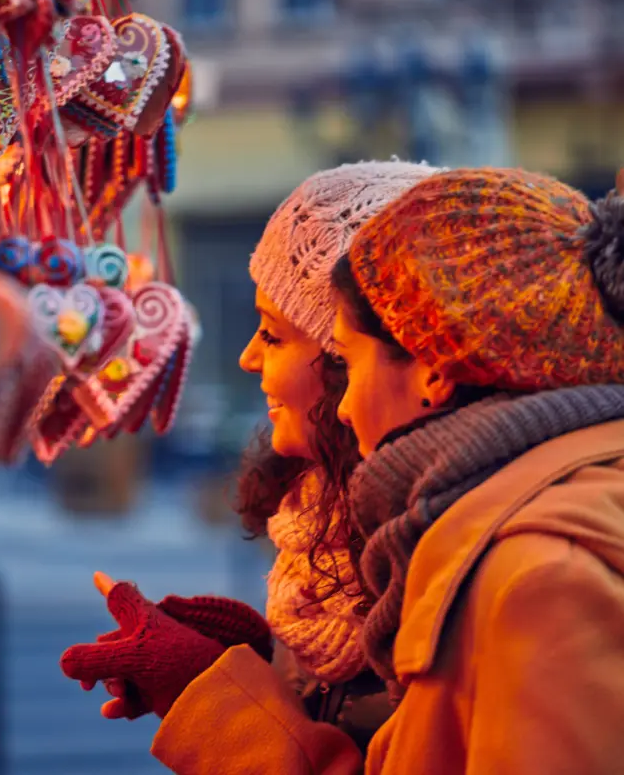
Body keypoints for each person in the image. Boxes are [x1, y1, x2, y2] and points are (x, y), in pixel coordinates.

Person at [62, 166, 624, 774]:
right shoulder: (450, 537)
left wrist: (217, 703)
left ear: (432, 367)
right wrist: (248, 679)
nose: (349, 406)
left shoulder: (538, 577)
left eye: (348, 360)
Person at [60, 160, 438, 751]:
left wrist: (206, 696)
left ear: (352, 355)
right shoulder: (323, 529)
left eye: (273, 334)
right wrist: (242, 663)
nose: (247, 358)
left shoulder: (441, 558)